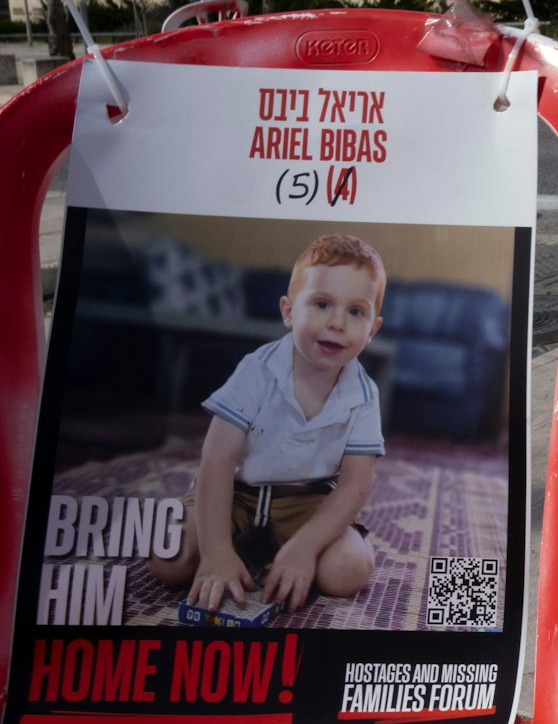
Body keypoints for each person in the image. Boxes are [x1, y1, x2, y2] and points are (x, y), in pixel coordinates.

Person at [148, 234, 385, 614]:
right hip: (236, 495)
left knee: (348, 571)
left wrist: (305, 547)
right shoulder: (256, 371)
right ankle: (230, 544)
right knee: (167, 557)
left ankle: (283, 549)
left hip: (307, 502)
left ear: (372, 330)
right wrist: (216, 552)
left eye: (356, 312)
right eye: (322, 304)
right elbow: (218, 459)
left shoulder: (364, 394)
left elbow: (356, 483)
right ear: (289, 312)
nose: (338, 323)